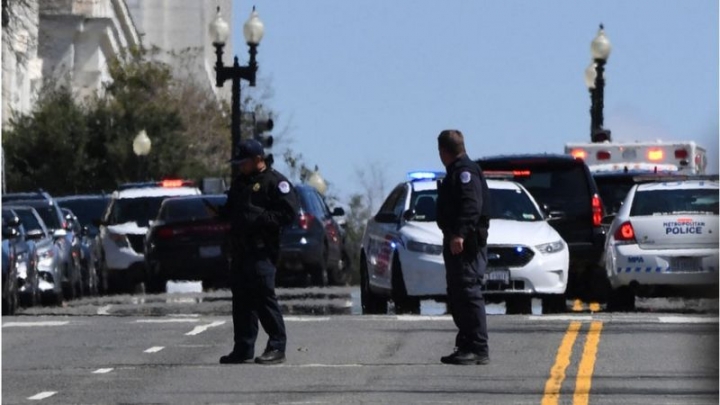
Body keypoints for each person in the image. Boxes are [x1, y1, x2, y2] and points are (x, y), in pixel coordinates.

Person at [218, 138, 299, 365]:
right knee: (242, 300)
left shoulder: (275, 183)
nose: (240, 166)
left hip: (262, 250)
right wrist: (221, 213)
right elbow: (233, 209)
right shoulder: (240, 183)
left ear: (258, 159)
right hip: (241, 249)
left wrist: (262, 218)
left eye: (244, 162)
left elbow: (288, 214)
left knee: (263, 296)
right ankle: (243, 347)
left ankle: (276, 346)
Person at [435, 129, 491, 365]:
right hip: (457, 243)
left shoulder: (465, 172)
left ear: (443, 151)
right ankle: (466, 344)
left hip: (466, 245)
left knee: (468, 293)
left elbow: (471, 206)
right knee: (458, 295)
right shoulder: (456, 172)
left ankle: (478, 348)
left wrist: (459, 234)